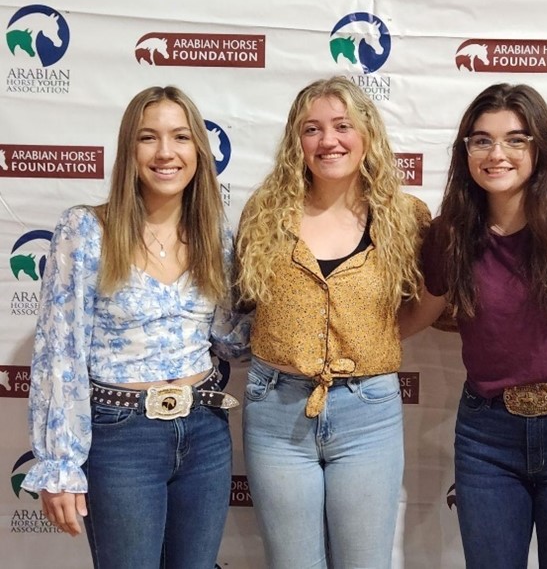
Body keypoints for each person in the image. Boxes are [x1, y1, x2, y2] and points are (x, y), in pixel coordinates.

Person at [400, 82, 547, 569]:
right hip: (487, 437)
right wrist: (340, 342)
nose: (496, 154)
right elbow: (420, 312)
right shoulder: (451, 232)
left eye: (515, 139)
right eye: (481, 140)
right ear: (465, 151)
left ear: (539, 146)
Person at [21, 86, 250, 569]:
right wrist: (60, 464)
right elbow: (60, 352)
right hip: (121, 437)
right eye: (149, 138)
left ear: (198, 151)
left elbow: (231, 340)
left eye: (180, 137)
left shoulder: (215, 235)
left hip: (205, 431)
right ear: (130, 149)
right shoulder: (85, 230)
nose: (166, 152)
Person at [235, 76, 430, 568]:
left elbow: (429, 301)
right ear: (295, 141)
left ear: (367, 134)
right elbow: (248, 302)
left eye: (343, 126)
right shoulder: (264, 213)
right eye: (312, 129)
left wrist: (372, 337)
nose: (328, 141)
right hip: (276, 410)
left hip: (368, 412)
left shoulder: (405, 217)